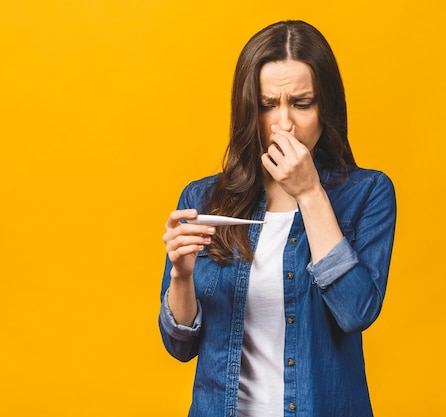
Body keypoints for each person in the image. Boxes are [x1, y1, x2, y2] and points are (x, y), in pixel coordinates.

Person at [158, 20, 396, 417]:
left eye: (302, 103)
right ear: (249, 110)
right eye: (268, 105)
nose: (284, 123)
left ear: (326, 108)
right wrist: (181, 276)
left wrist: (309, 192)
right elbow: (180, 345)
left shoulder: (367, 194)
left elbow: (356, 312)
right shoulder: (203, 199)